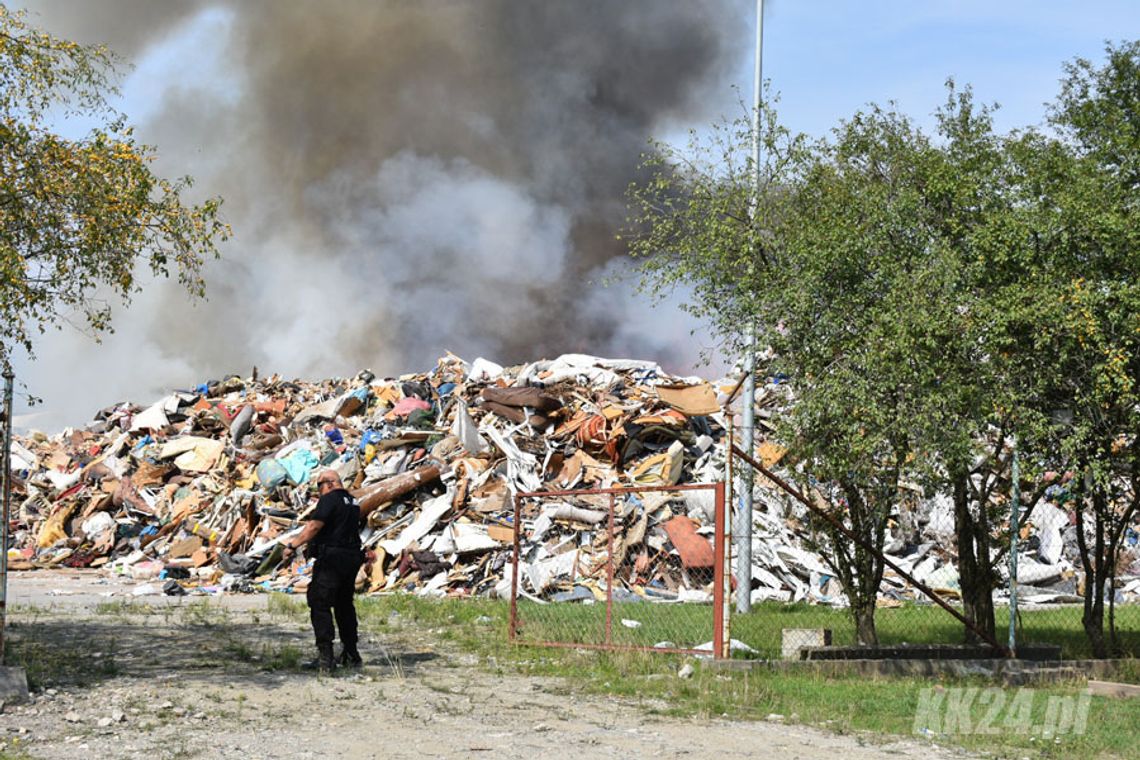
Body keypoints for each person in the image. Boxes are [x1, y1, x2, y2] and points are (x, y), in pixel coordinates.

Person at [282, 469, 365, 673]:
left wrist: (293, 545)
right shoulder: (353, 502)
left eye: (319, 486)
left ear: (328, 483)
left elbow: (314, 527)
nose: (319, 492)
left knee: (320, 602)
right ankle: (351, 653)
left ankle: (326, 658)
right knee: (344, 604)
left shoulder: (330, 499)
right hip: (351, 557)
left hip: (333, 559)